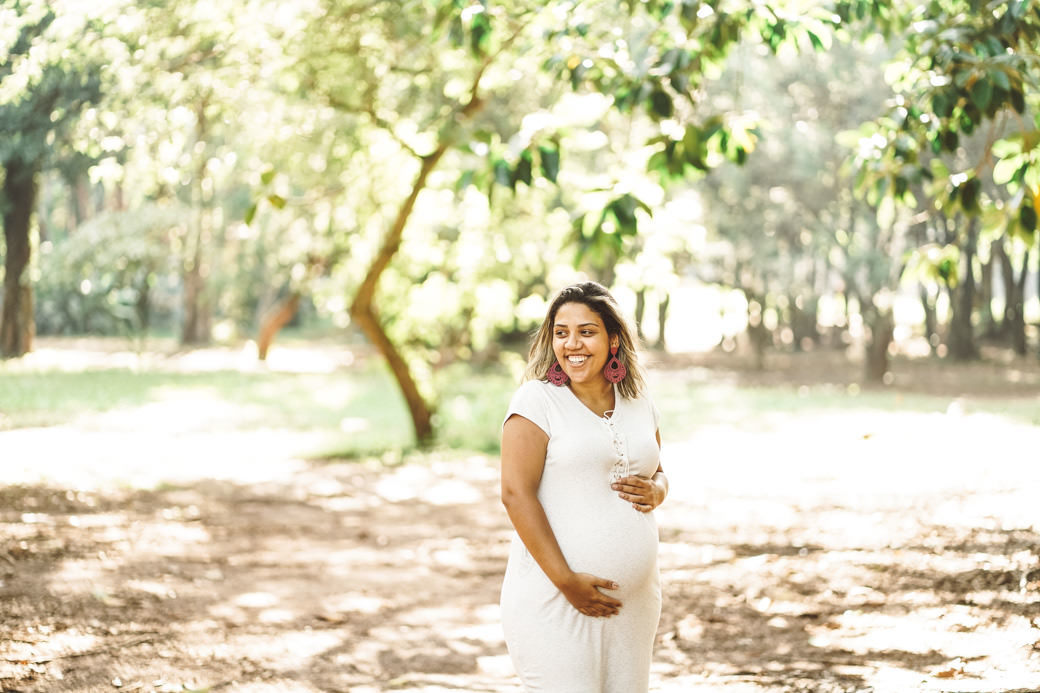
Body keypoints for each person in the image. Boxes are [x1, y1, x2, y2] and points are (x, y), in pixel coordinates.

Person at [500, 281, 668, 693]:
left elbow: (657, 470)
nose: (572, 344)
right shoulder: (537, 401)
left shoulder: (638, 401)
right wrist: (566, 582)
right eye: (561, 332)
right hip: (554, 599)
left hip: (635, 606)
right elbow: (515, 493)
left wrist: (659, 490)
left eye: (586, 331)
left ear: (613, 339)